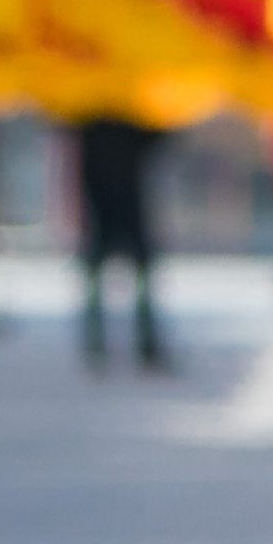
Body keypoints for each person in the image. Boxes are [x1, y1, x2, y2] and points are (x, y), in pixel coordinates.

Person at [74, 115, 168, 373]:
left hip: (109, 205)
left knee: (108, 273)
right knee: (129, 274)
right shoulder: (128, 112)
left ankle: (104, 342)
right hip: (119, 205)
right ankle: (133, 342)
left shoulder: (92, 113)